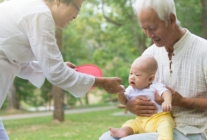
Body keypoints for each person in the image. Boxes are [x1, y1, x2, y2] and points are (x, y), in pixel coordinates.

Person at [99, 0, 207, 140]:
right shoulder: (148, 55)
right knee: (106, 138)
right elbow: (133, 95)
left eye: (153, 27)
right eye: (144, 28)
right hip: (151, 126)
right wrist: (130, 104)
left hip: (191, 132)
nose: (149, 34)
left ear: (171, 19)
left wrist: (183, 101)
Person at [0, 0, 124, 139]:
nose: (76, 16)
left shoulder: (25, 7)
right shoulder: (39, 13)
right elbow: (56, 73)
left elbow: (16, 60)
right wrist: (102, 82)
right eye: (77, 9)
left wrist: (57, 66)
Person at [109, 56, 175, 140]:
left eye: (137, 75)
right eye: (131, 73)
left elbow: (166, 92)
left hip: (160, 118)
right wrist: (120, 93)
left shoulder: (155, 86)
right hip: (141, 120)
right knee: (131, 123)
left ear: (150, 79)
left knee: (166, 126)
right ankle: (124, 131)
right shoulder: (130, 89)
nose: (132, 77)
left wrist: (167, 101)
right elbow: (124, 101)